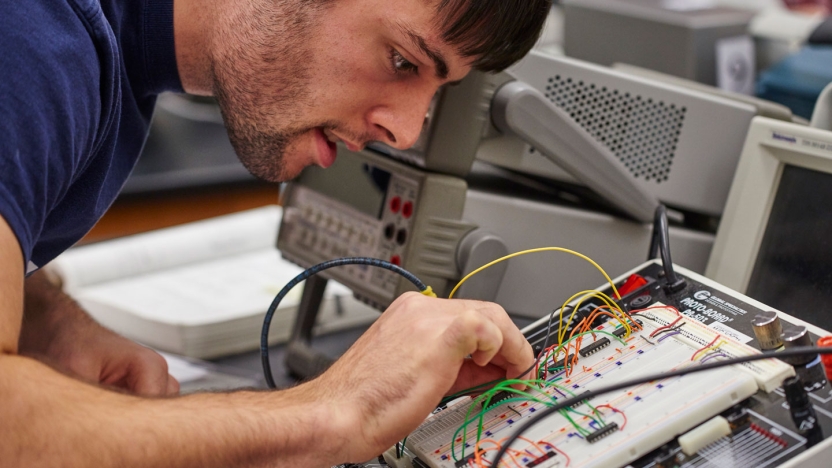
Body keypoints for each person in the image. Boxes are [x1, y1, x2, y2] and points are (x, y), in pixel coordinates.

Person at [0, 0, 550, 465]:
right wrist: (330, 413)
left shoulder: (105, 51)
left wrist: (43, 320)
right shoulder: (31, 45)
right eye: (402, 59)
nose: (404, 132)